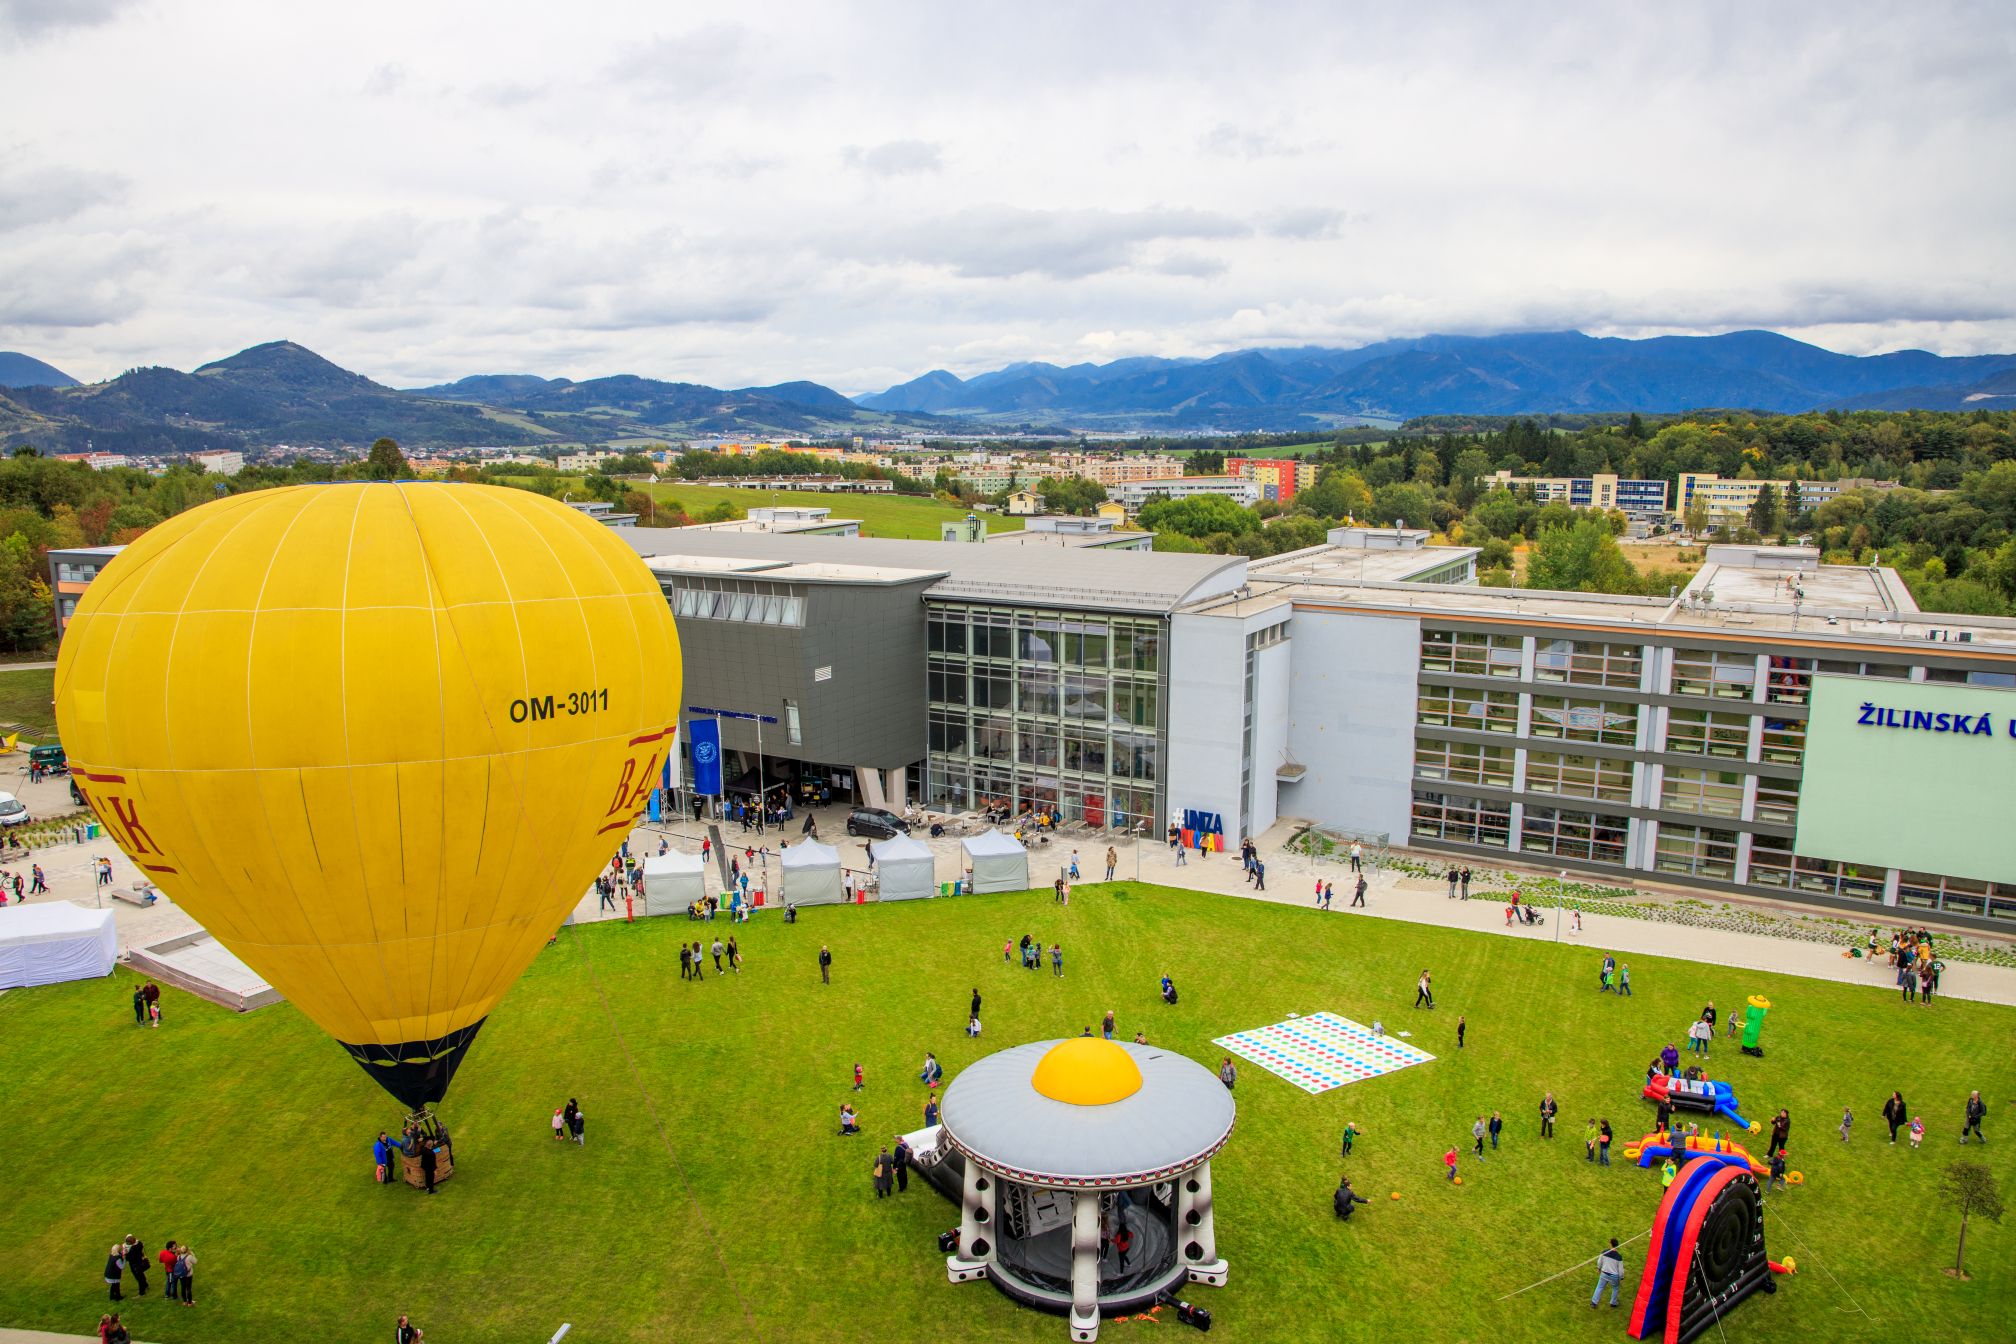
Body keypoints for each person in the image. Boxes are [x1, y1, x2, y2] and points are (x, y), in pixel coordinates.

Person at [1591, 1238, 1625, 1308]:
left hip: (1604, 1274)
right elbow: (1621, 1270)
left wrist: (1599, 1268)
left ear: (1610, 1244)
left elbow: (1599, 1261)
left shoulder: (1604, 1252)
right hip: (1614, 1276)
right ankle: (1613, 1303)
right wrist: (1621, 1278)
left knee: (1599, 1287)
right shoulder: (1619, 1257)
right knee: (1615, 1288)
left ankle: (1594, 1303)